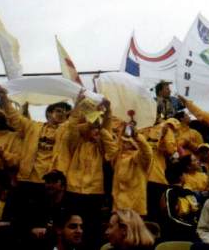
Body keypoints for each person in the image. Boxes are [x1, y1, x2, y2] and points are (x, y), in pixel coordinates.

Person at [0, 85, 72, 197]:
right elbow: (13, 117)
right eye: (58, 111)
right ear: (49, 113)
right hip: (26, 179)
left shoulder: (68, 132)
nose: (62, 114)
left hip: (51, 183)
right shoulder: (32, 127)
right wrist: (4, 98)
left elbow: (77, 119)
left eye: (66, 114)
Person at [65, 95, 117, 250]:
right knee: (74, 229)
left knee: (92, 230)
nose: (95, 131)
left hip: (95, 192)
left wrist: (107, 111)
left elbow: (108, 135)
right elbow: (72, 127)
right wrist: (77, 105)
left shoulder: (101, 146)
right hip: (74, 190)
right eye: (93, 129)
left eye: (97, 129)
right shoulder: (76, 143)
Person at [110, 121, 153, 216]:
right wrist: (124, 128)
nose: (124, 143)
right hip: (117, 206)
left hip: (134, 208)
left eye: (127, 142)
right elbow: (112, 148)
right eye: (123, 141)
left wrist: (137, 136)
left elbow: (147, 153)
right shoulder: (118, 156)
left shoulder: (138, 157)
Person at [23, 170, 71, 250]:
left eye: (54, 182)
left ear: (63, 186)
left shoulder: (69, 205)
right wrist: (32, 229)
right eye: (47, 181)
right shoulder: (41, 202)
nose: (49, 185)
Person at [144, 118, 178, 222]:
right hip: (138, 179)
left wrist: (163, 136)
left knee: (155, 214)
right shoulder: (140, 128)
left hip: (157, 177)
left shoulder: (165, 128)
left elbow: (171, 150)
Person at [161, 161, 200, 241]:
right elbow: (170, 216)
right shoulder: (169, 192)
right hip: (177, 233)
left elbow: (197, 211)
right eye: (185, 173)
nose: (187, 176)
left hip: (194, 232)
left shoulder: (189, 192)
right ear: (181, 176)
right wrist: (191, 227)